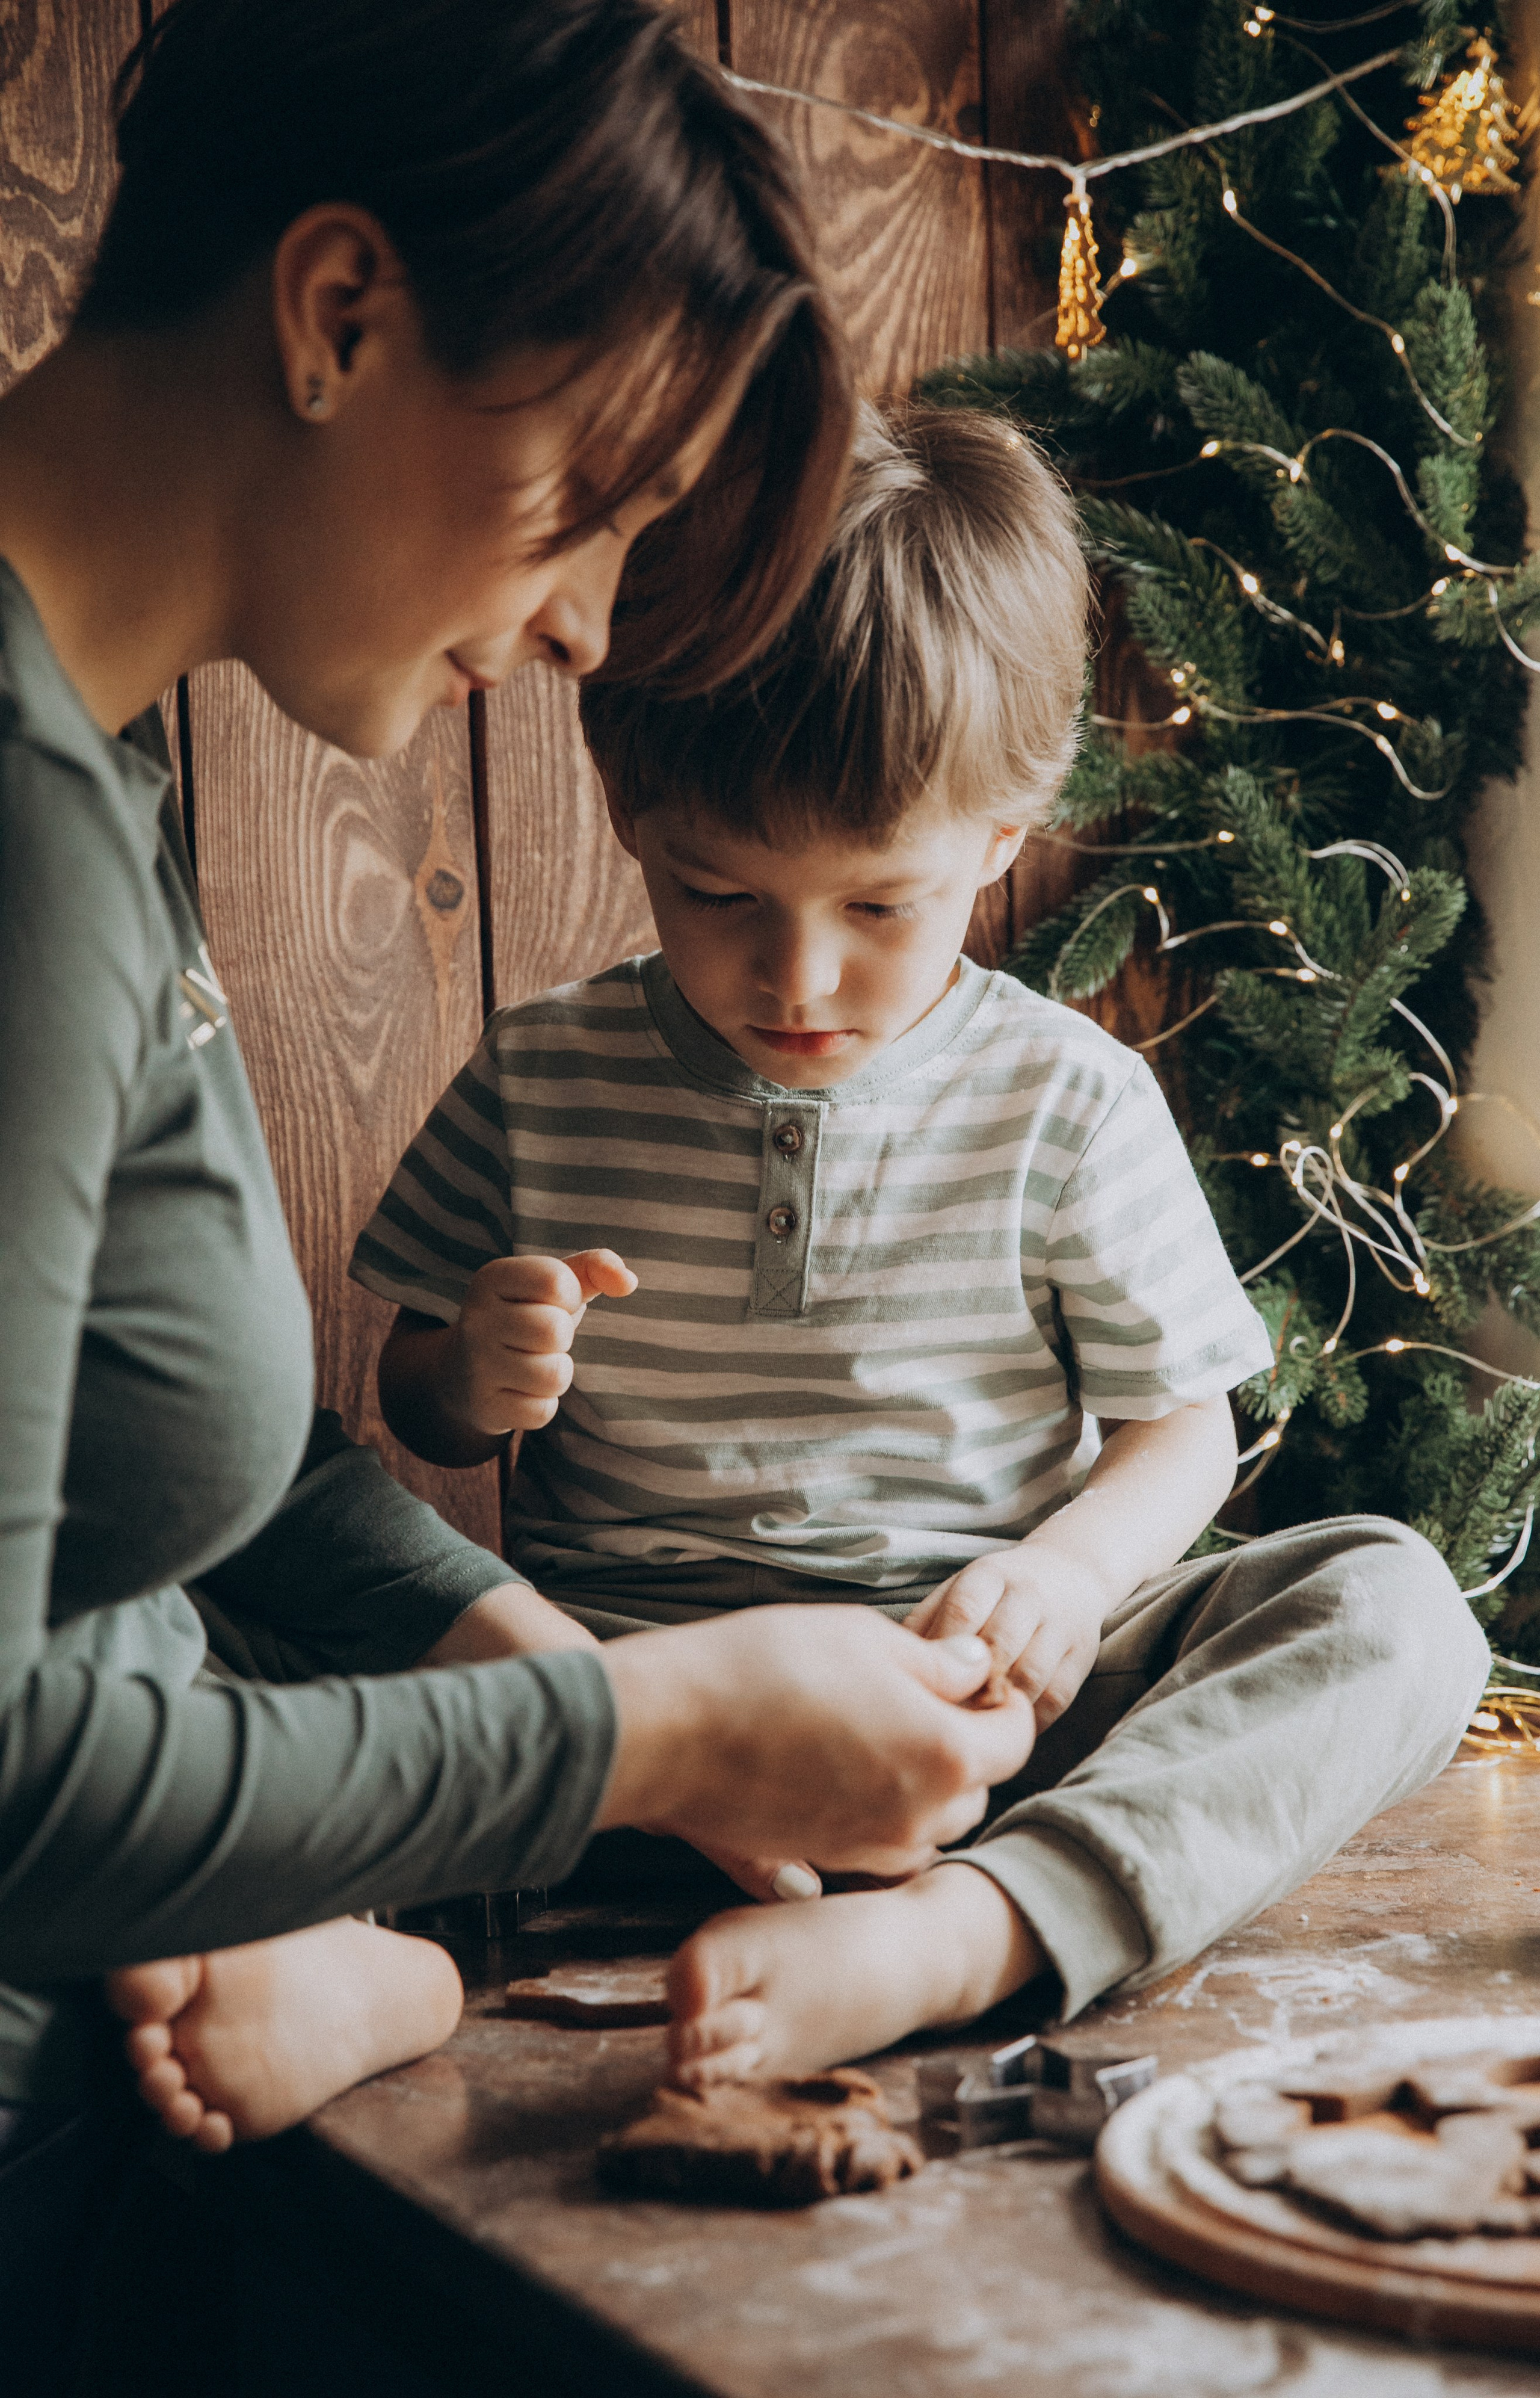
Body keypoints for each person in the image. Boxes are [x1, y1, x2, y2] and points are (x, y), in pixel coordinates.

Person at [0, 0, 1040, 2322]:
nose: (586, 626)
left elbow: (180, 1462)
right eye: (599, 502)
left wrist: (538, 1647)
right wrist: (649, 1723)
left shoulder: (91, 768)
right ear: (340, 314)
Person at [357, 401, 1492, 2083]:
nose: (795, 979)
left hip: (969, 1718)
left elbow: (1187, 1428)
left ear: (1003, 831)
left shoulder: (1069, 1099)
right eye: (717, 895)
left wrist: (1067, 1574)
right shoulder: (543, 1075)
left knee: (1399, 1609)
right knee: (237, 1608)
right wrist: (469, 1369)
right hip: (613, 1716)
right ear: (623, 803)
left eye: (877, 906)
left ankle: (975, 1927)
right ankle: (364, 1977)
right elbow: (413, 1412)